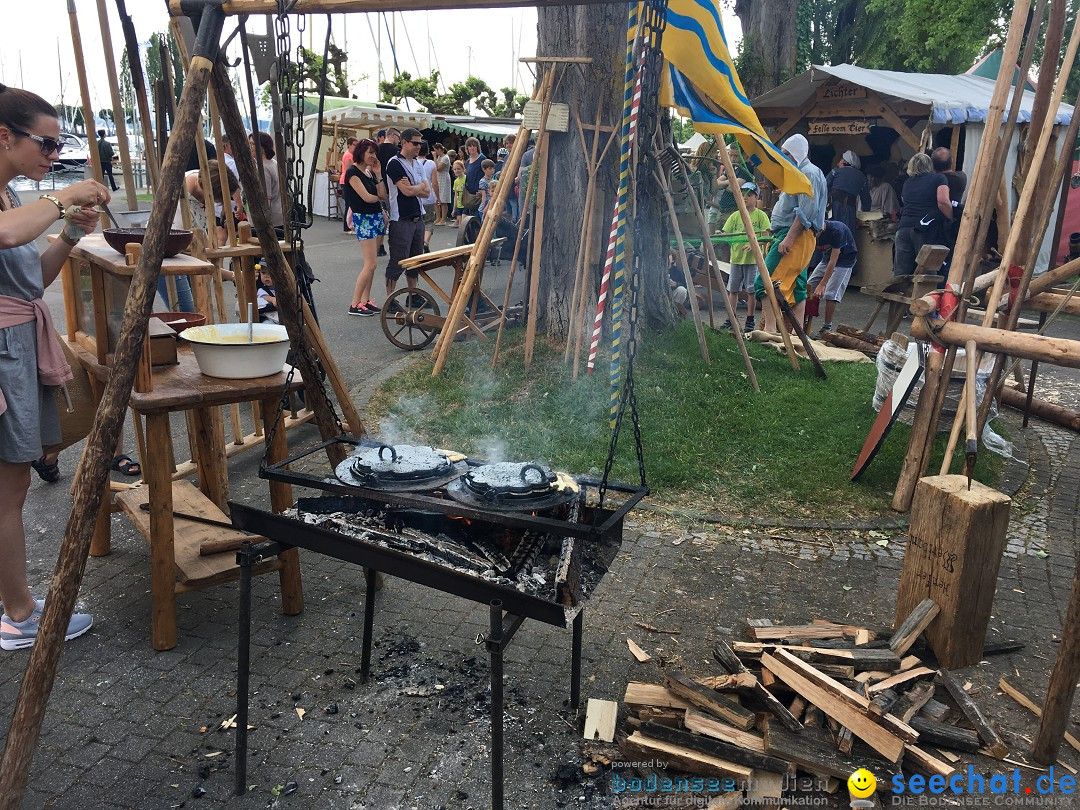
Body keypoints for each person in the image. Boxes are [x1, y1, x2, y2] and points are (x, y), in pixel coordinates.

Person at [0, 82, 102, 649]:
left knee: (9, 485)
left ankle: (14, 603)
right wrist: (66, 199)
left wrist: (68, 233)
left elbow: (29, 281)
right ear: (4, 136)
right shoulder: (12, 209)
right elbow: (6, 236)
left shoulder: (12, 196)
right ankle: (17, 616)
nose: (53, 156)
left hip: (16, 345)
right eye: (45, 144)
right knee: (8, 488)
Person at [753, 134, 827, 333]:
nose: (783, 156)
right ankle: (796, 335)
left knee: (765, 282)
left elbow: (806, 212)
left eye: (786, 153)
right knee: (797, 287)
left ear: (797, 152)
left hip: (794, 236)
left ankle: (769, 331)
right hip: (797, 236)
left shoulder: (808, 173)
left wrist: (789, 238)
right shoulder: (802, 172)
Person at [384, 127, 430, 297]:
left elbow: (427, 192)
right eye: (415, 143)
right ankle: (390, 298)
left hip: (418, 217)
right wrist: (418, 187)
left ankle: (413, 294)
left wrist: (414, 186)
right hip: (401, 218)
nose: (419, 146)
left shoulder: (418, 163)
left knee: (415, 261)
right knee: (398, 261)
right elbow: (406, 192)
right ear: (404, 142)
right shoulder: (394, 163)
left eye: (420, 143)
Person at [343, 138, 387, 316]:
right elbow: (368, 197)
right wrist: (378, 197)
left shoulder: (369, 172)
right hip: (364, 218)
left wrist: (378, 174)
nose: (373, 156)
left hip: (374, 217)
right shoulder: (353, 172)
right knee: (370, 264)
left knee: (372, 264)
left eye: (375, 152)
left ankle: (365, 300)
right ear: (361, 152)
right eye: (370, 152)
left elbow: (382, 193)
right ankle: (355, 304)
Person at [893, 152, 952, 277]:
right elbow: (943, 201)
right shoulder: (939, 178)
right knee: (928, 272)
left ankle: (897, 294)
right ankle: (926, 297)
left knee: (901, 273)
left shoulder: (907, 183)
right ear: (930, 165)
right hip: (924, 230)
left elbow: (905, 201)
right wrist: (951, 218)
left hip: (903, 229)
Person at [721, 182, 770, 332]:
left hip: (753, 260)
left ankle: (750, 320)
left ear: (756, 197)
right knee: (733, 290)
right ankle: (731, 317)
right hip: (736, 259)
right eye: (743, 195)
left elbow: (766, 237)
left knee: (751, 291)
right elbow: (726, 234)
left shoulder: (761, 216)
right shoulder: (735, 216)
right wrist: (721, 236)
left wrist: (753, 245)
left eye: (749, 195)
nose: (745, 198)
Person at [806, 219, 858, 335]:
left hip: (844, 261)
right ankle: (803, 320)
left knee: (830, 293)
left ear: (821, 229)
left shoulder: (837, 231)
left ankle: (827, 327)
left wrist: (822, 284)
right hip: (826, 259)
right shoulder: (809, 232)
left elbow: (833, 261)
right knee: (808, 287)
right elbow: (807, 256)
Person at [825, 149, 870, 236]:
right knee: (848, 235)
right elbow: (866, 200)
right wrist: (865, 216)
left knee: (833, 234)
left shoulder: (835, 172)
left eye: (841, 159)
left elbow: (823, 188)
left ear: (845, 161)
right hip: (850, 209)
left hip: (835, 207)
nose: (839, 161)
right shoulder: (862, 177)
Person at [249, 131, 283, 235]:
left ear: (263, 147)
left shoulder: (263, 167)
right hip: (278, 214)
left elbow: (266, 197)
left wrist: (262, 220)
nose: (250, 147)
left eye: (253, 144)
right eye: (249, 143)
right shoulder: (273, 163)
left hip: (270, 219)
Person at [418, 140, 438, 253]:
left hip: (417, 196)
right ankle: (426, 241)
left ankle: (419, 242)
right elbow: (434, 183)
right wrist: (437, 197)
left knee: (419, 221)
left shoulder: (413, 162)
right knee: (429, 221)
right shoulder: (431, 164)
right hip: (429, 196)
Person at [462, 137, 486, 215]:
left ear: (477, 147)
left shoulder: (482, 159)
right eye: (470, 146)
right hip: (469, 194)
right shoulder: (468, 161)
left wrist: (482, 190)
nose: (472, 148)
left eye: (474, 146)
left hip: (478, 194)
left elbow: (487, 175)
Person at [339, 136, 357, 232]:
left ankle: (349, 224)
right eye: (354, 145)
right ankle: (347, 226)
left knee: (349, 204)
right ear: (349, 145)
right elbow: (349, 170)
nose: (356, 146)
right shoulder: (348, 155)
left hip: (347, 181)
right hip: (346, 182)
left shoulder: (351, 155)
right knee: (348, 204)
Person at [433, 143, 451, 225]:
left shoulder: (445, 158)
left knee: (443, 200)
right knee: (436, 199)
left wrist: (434, 157)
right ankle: (438, 218)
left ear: (439, 149)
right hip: (438, 178)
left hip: (444, 178)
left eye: (436, 150)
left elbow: (438, 168)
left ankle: (443, 219)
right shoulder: (440, 157)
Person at [452, 160, 466, 229]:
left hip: (465, 204)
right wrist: (454, 208)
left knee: (464, 222)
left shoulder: (466, 178)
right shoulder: (456, 181)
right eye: (455, 169)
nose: (457, 171)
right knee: (461, 224)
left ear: (463, 169)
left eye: (458, 169)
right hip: (459, 205)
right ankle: (463, 238)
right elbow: (455, 196)